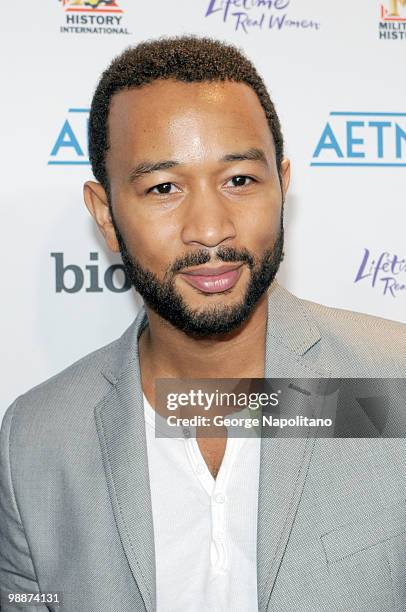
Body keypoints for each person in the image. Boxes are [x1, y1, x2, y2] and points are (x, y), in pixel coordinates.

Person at [0, 36, 405, 612]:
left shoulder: (393, 383)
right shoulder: (36, 442)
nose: (211, 228)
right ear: (105, 214)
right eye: (163, 188)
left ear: (282, 187)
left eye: (239, 179)